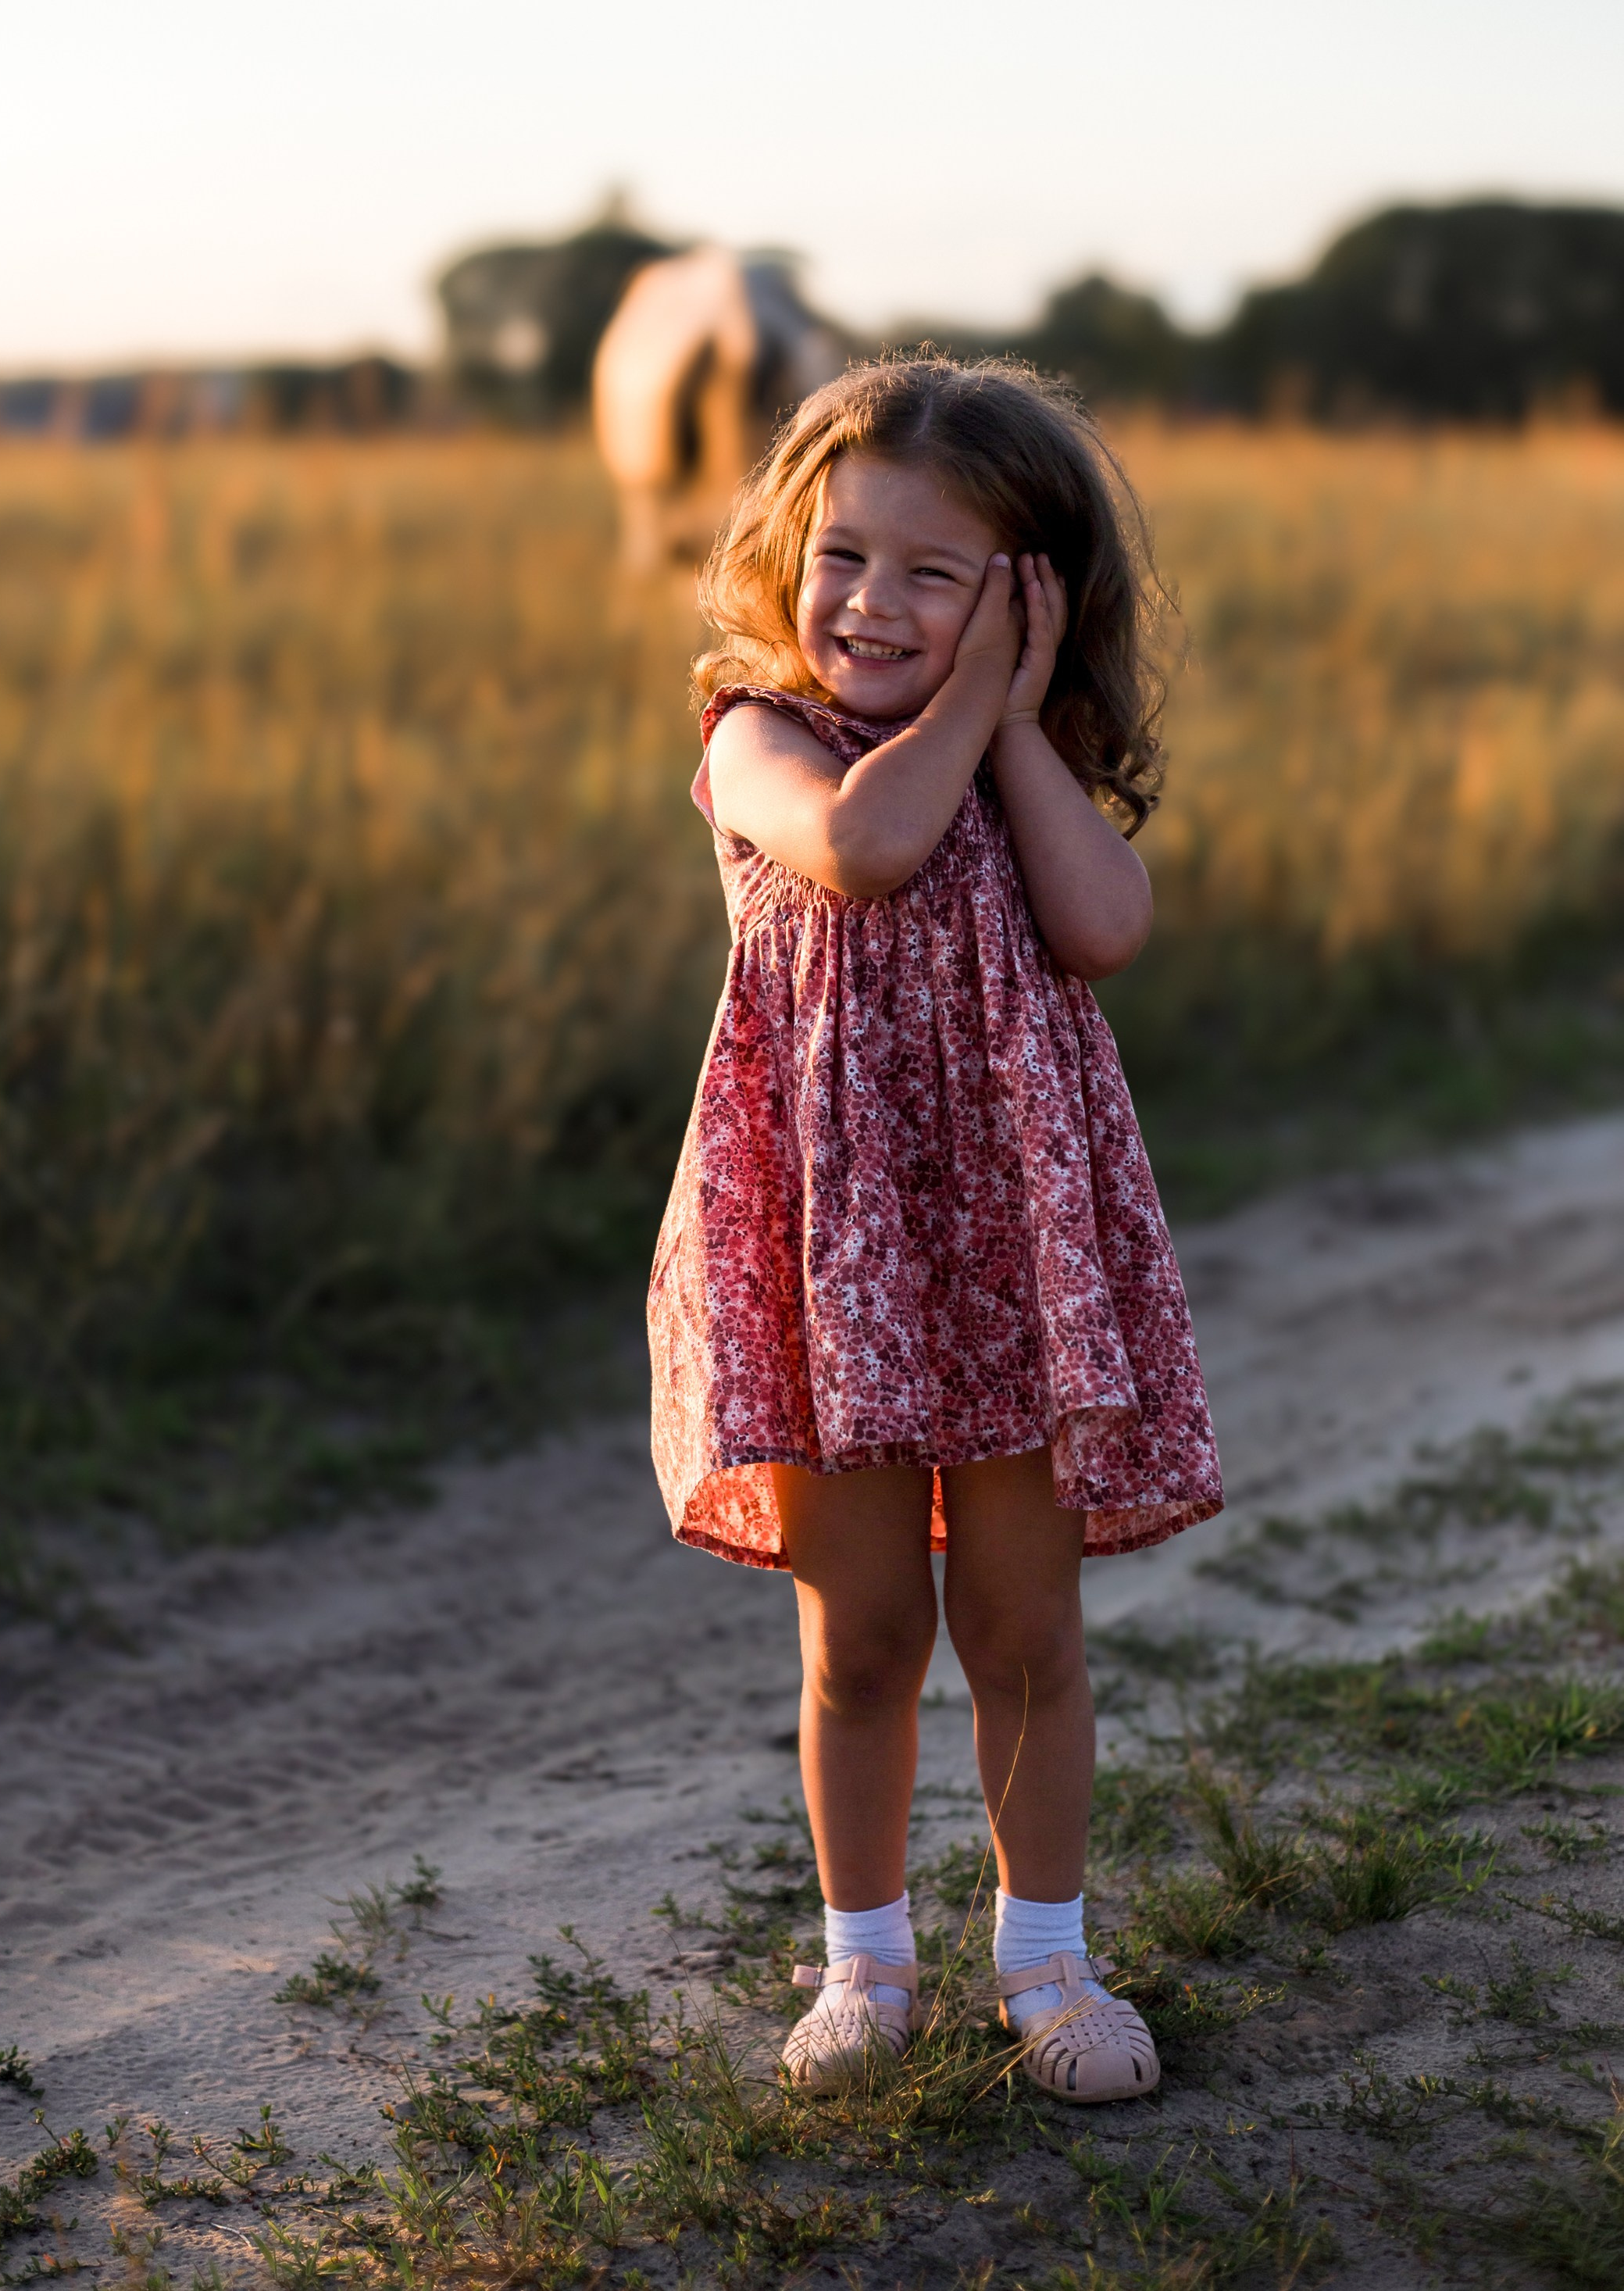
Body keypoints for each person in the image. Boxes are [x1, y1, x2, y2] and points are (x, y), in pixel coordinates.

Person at [648, 356, 1222, 2103]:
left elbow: (1106, 924)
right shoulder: (764, 739)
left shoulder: (1018, 758)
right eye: (843, 555)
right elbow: (869, 845)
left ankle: (1046, 1958)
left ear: (1031, 599)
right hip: (831, 1260)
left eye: (934, 571)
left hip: (1011, 1256)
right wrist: (975, 695)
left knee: (1027, 1630)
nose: (870, 602)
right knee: (868, 1632)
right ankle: (863, 1963)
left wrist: (1019, 724)